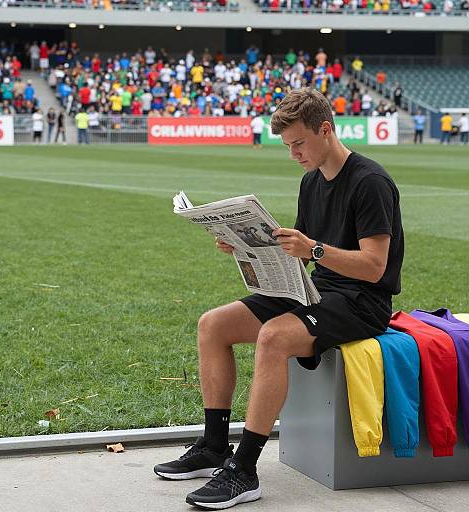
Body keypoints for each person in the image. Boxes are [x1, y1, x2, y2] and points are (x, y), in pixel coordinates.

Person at [154, 88, 404, 510]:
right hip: (317, 290)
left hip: (361, 303)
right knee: (212, 325)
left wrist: (315, 250)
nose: (294, 154)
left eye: (299, 144)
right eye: (288, 147)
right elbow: (300, 253)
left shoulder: (370, 182)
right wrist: (246, 247)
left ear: (325, 130)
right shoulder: (311, 181)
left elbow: (374, 267)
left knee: (273, 336)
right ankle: (215, 447)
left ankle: (244, 469)